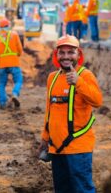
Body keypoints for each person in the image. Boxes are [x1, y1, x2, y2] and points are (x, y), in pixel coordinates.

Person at [39, 35, 103, 193]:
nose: (66, 56)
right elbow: (49, 110)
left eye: (71, 52)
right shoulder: (52, 78)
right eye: (62, 52)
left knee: (82, 189)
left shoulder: (86, 75)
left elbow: (97, 100)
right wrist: (45, 138)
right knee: (62, 189)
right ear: (57, 55)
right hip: (57, 148)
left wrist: (78, 82)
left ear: (78, 55)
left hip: (78, 149)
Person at [0, 18, 23, 109]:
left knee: (2, 84)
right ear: (8, 26)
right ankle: (15, 93)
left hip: (2, 64)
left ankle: (3, 103)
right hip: (14, 62)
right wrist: (18, 54)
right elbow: (19, 48)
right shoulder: (14, 35)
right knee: (18, 80)